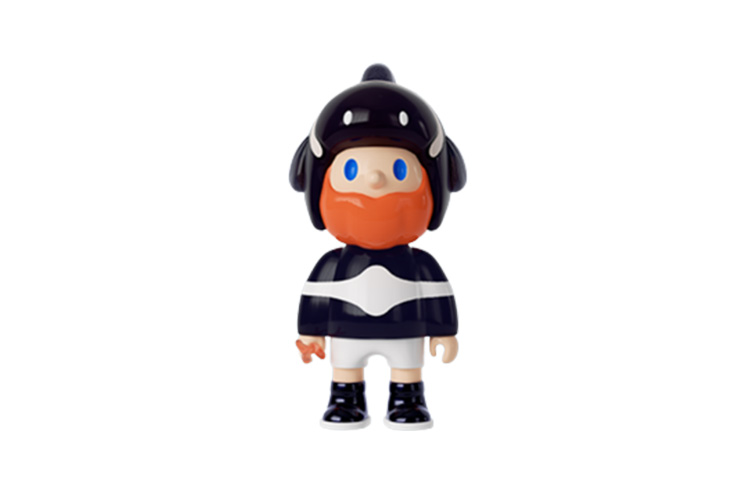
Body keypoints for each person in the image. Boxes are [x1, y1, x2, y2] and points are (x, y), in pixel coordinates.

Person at [289, 64, 467, 430]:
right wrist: (310, 332)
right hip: (346, 335)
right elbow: (316, 299)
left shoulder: (421, 265)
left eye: (400, 171)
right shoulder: (332, 265)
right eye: (350, 171)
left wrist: (444, 330)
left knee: (407, 367)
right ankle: (345, 400)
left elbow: (437, 297)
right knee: (345, 368)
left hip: (405, 333)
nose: (373, 179)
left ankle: (408, 401)